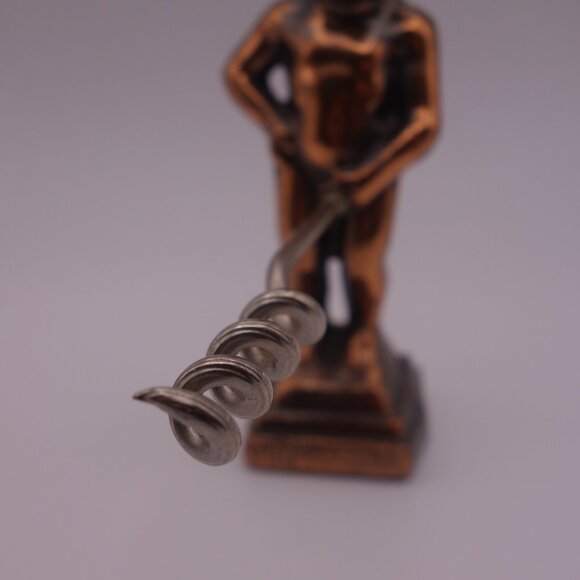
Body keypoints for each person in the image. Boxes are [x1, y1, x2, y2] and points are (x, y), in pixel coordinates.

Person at [226, 0, 439, 349]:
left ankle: (362, 340)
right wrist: (279, 125)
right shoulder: (290, 19)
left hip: (371, 171)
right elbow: (240, 74)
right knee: (303, 262)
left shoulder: (406, 29)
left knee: (361, 264)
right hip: (301, 167)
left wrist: (368, 177)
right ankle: (307, 344)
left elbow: (424, 121)